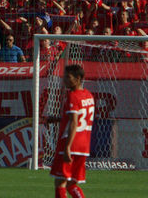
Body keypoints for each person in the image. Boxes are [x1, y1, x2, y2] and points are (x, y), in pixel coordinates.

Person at [50, 64, 94, 198]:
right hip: (84, 146)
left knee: (60, 182)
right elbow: (80, 118)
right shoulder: (88, 95)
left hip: (70, 144)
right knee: (71, 184)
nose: (65, 80)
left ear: (79, 78)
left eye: (68, 77)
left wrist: (67, 147)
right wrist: (59, 119)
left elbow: (74, 122)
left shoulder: (72, 96)